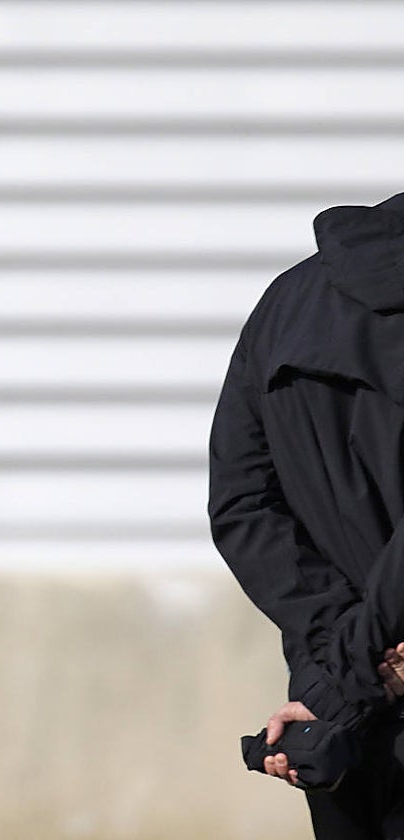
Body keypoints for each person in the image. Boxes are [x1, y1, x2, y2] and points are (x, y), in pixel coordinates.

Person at [209, 191, 404, 838]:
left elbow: (241, 505)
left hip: (335, 721)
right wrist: (362, 668)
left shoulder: (285, 303)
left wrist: (337, 677)